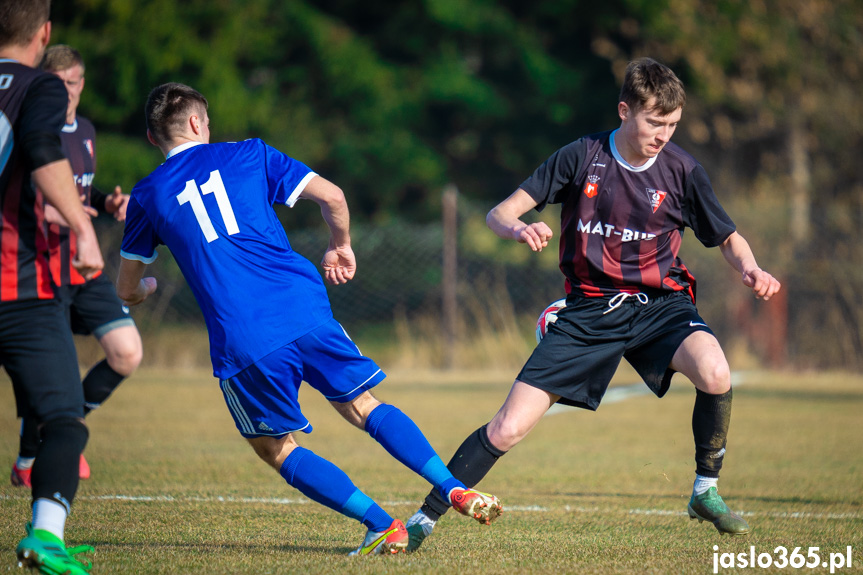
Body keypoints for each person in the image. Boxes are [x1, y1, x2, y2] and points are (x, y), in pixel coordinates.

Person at [405, 57, 782, 550]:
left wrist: (751, 268)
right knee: (508, 427)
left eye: (672, 124)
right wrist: (520, 227)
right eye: (653, 122)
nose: (663, 134)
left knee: (715, 371)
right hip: (588, 311)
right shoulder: (581, 157)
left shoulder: (683, 171)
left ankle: (705, 490)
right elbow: (501, 212)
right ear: (625, 111)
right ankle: (422, 519)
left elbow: (726, 237)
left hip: (659, 305)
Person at [116, 82, 503, 555]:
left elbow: (127, 288)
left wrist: (147, 290)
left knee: (275, 447)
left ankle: (381, 523)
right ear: (198, 123)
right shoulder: (250, 153)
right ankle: (450, 485)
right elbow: (334, 197)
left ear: (154, 138)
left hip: (245, 336)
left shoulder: (148, 194)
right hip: (304, 307)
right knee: (363, 404)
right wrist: (340, 244)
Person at [0, 1, 104, 573]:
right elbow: (42, 151)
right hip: (18, 284)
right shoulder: (38, 87)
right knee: (64, 417)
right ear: (44, 33)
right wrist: (84, 229)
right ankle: (45, 536)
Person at [9, 44, 143, 489]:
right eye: (59, 82)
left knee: (126, 353)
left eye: (74, 82)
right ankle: (33, 456)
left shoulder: (84, 129)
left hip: (84, 268)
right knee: (44, 372)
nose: (67, 91)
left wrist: (107, 202)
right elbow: (25, 194)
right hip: (39, 268)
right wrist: (60, 214)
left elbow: (79, 187)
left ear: (83, 84)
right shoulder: (33, 126)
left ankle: (60, 435)